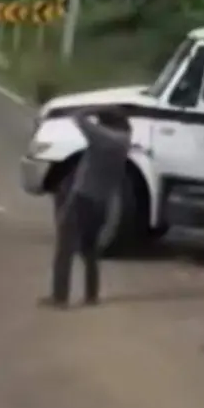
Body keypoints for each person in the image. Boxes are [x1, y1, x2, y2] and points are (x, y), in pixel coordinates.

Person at [41, 106, 133, 309]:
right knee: (89, 249)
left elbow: (78, 118)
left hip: (82, 197)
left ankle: (60, 297)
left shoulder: (101, 138)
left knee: (65, 247)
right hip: (103, 202)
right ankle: (92, 295)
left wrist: (92, 108)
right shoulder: (124, 140)